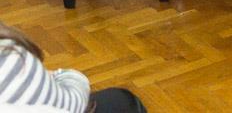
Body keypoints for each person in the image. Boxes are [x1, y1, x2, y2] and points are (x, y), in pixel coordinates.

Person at [0, 22, 145, 112]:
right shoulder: (11, 60)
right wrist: (63, 75)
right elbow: (74, 105)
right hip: (72, 103)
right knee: (123, 100)